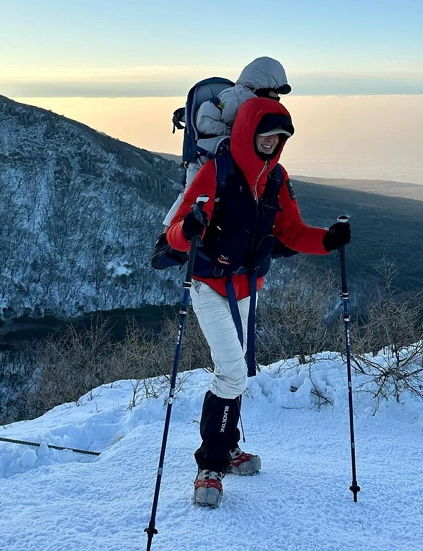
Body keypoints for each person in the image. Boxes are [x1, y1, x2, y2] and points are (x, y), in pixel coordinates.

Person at [165, 97, 351, 508]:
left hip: (247, 285)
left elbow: (291, 230)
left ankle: (226, 449)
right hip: (210, 284)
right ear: (249, 132)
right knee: (231, 372)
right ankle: (210, 466)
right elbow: (177, 233)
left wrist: (327, 239)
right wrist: (191, 224)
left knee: (237, 373)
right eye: (266, 135)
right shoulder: (217, 171)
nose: (272, 142)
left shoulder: (276, 178)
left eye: (280, 137)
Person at [162, 56, 291, 227]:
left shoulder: (247, 100)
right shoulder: (235, 99)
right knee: (190, 201)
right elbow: (205, 122)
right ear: (262, 84)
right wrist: (235, 135)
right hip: (204, 160)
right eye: (276, 92)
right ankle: (169, 240)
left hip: (224, 162)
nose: (277, 97)